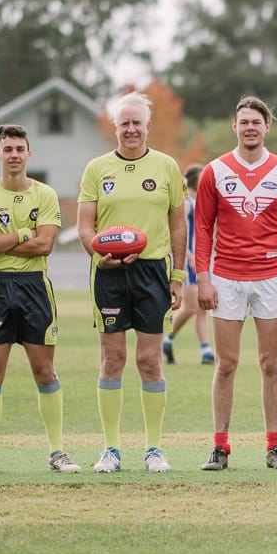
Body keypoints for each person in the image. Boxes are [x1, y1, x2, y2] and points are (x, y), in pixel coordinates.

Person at [0, 124, 82, 474]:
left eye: (19, 148)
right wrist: (24, 232)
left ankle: (57, 452)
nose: (13, 154)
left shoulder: (45, 194)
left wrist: (3, 238)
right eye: (7, 149)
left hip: (34, 287)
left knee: (44, 371)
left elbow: (45, 245)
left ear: (28, 153)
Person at [195, 96, 277, 472]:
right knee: (226, 364)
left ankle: (274, 447)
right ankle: (219, 446)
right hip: (226, 277)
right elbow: (203, 227)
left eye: (256, 122)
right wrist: (204, 277)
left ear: (266, 127)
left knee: (270, 364)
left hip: (272, 277)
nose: (250, 127)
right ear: (235, 126)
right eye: (243, 121)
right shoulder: (214, 171)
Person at [77, 92, 187, 474]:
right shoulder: (96, 169)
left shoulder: (167, 167)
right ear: (115, 127)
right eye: (124, 123)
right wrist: (97, 253)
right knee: (112, 359)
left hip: (153, 270)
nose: (130, 129)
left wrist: (178, 275)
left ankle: (154, 449)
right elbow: (85, 226)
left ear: (148, 126)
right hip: (108, 272)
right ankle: (111, 449)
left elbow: (179, 224)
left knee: (149, 360)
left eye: (137, 122)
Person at [162, 164, 214, 366]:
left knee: (199, 308)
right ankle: (206, 350)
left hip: (201, 262)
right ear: (194, 180)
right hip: (190, 263)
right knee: (194, 307)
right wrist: (190, 258)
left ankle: (169, 341)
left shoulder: (200, 202)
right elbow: (177, 232)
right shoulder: (187, 203)